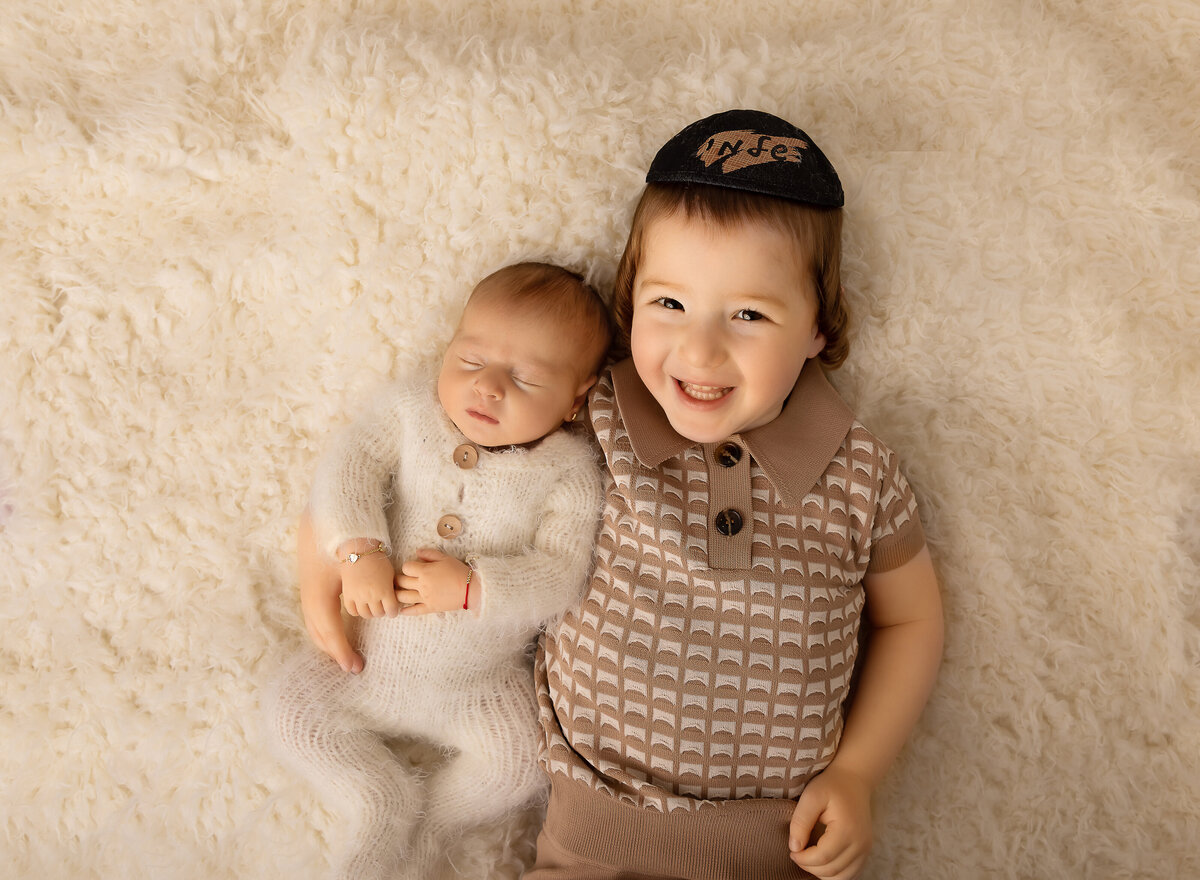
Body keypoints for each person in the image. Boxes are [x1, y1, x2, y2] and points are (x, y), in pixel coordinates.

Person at [300, 109, 943, 880]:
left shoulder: (859, 472)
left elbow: (911, 619)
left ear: (817, 327)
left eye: (749, 315)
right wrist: (332, 572)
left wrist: (859, 772)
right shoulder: (593, 414)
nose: (699, 349)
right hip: (590, 829)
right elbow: (392, 461)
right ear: (630, 305)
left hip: (776, 841)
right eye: (669, 304)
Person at [268, 261, 612, 880]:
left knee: (521, 762)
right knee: (292, 711)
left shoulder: (568, 474)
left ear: (576, 400)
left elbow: (563, 574)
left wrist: (476, 585)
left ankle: (434, 829)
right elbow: (348, 469)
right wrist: (360, 551)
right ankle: (380, 799)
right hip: (362, 661)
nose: (488, 389)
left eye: (526, 378)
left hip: (476, 685)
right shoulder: (411, 412)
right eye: (472, 362)